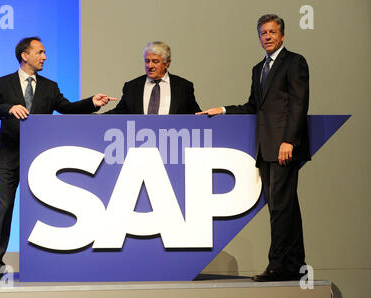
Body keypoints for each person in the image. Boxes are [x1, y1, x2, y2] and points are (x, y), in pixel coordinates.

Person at [0, 36, 116, 281]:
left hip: (38, 158)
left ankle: (44, 263)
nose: (45, 57)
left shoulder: (49, 86)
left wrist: (92, 103)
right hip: (9, 157)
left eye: (44, 53)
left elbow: (68, 109)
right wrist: (9, 108)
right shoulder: (3, 83)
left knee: (43, 209)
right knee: (4, 209)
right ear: (25, 55)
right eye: (40, 52)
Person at [197, 14, 311, 282]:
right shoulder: (258, 68)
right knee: (283, 207)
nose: (267, 37)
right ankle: (295, 264)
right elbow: (252, 107)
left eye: (272, 32)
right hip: (265, 147)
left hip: (284, 147)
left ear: (282, 35)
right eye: (263, 33)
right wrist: (222, 110)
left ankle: (278, 267)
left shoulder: (294, 62)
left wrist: (289, 141)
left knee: (282, 208)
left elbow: (298, 104)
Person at [105, 41, 201, 114]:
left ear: (166, 63)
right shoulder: (132, 87)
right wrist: (91, 110)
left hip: (173, 138)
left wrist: (214, 116)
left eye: (155, 61)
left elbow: (196, 116)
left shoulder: (183, 87)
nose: (150, 66)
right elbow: (117, 115)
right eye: (147, 61)